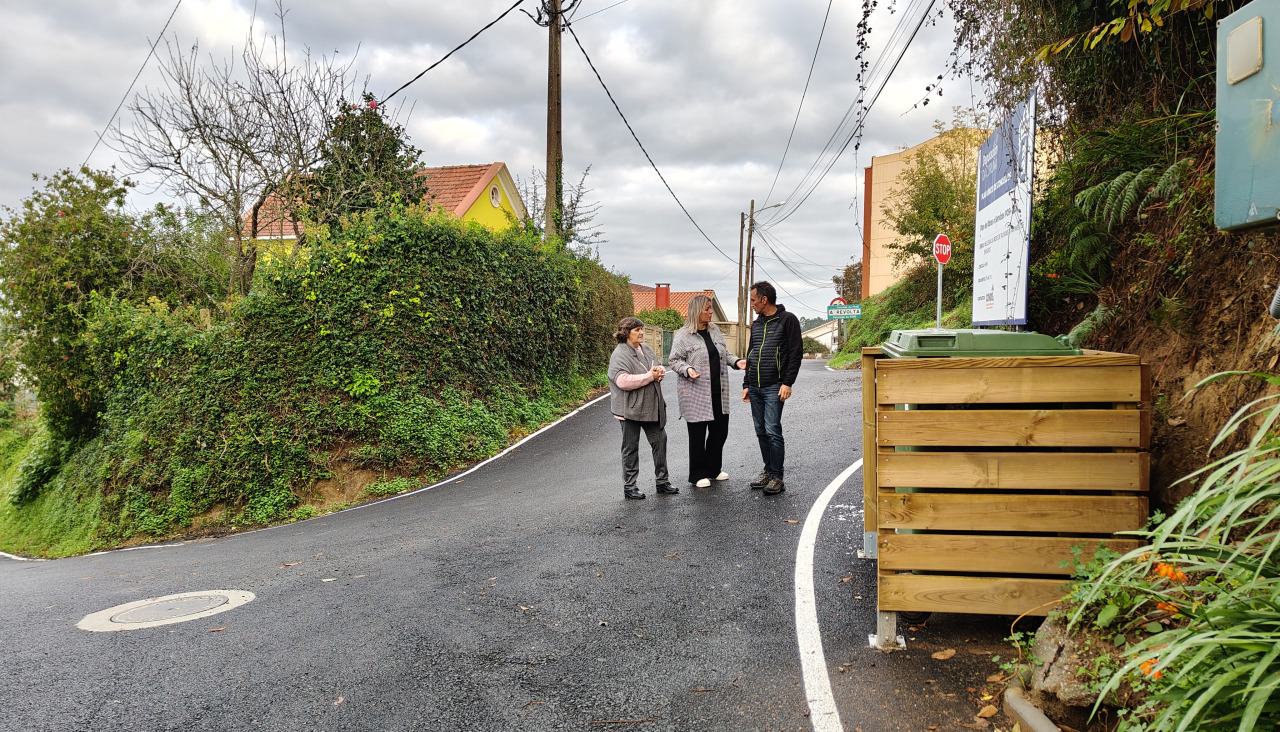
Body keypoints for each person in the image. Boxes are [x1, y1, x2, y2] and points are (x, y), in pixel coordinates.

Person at [668, 295, 746, 488]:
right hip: (695, 392)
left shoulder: (715, 330)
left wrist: (736, 362)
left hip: (718, 391)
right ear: (697, 311)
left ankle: (713, 469)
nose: (711, 312)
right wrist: (687, 369)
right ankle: (697, 474)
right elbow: (674, 360)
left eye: (711, 308)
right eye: (707, 309)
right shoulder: (683, 335)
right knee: (697, 434)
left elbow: (724, 354)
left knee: (720, 431)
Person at [741, 281, 803, 496]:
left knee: (772, 430)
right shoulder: (757, 324)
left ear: (764, 299)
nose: (752, 304)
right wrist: (747, 384)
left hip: (775, 385)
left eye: (753, 300)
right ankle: (768, 471)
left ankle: (777, 476)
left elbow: (796, 354)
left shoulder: (788, 320)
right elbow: (751, 354)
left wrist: (788, 382)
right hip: (756, 387)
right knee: (760, 431)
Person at [607, 316, 677, 500]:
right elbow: (622, 381)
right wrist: (649, 376)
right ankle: (630, 487)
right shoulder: (620, 354)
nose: (641, 333)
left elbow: (657, 367)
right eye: (637, 330)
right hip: (629, 409)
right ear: (625, 332)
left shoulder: (645, 349)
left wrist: (660, 372)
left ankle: (662, 482)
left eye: (641, 329)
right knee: (630, 448)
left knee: (660, 441)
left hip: (651, 406)